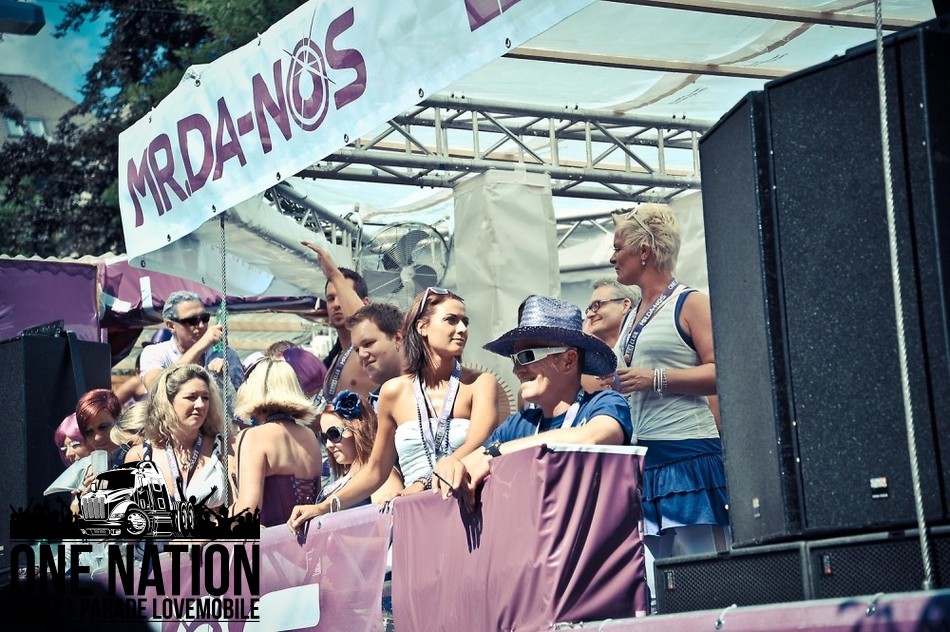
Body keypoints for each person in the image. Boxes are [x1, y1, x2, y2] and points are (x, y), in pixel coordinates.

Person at [288, 287, 499, 529]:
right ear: (422, 327)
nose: (462, 329)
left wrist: (421, 483)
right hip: (418, 520)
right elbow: (376, 470)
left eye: (465, 322)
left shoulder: (481, 384)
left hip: (473, 515)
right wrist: (323, 507)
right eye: (451, 320)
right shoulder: (392, 392)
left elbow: (476, 446)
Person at [608, 205, 729, 594]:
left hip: (688, 456)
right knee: (666, 584)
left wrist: (654, 378)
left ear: (644, 250)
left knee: (706, 577)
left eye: (618, 247)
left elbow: (722, 373)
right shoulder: (631, 314)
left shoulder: (690, 302)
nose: (612, 257)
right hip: (648, 462)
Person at [436, 295, 633, 498]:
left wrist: (499, 452)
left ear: (569, 360)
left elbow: (592, 438)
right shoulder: (518, 424)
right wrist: (450, 465)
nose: (516, 370)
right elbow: (472, 463)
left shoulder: (605, 404)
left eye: (526, 356)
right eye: (514, 359)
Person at [230, 358, 322, 526]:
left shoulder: (253, 437)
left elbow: (247, 512)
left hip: (271, 541)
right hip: (310, 539)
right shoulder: (310, 436)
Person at [125, 365, 229, 511]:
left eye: (205, 398)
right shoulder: (139, 456)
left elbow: (239, 507)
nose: (200, 404)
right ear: (168, 402)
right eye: (191, 397)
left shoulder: (223, 448)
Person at [302, 241, 376, 404]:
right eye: (330, 298)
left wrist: (334, 274)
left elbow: (365, 325)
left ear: (365, 303)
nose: (336, 304)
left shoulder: (373, 352)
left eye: (342, 296)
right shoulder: (334, 360)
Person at [139, 291, 243, 392]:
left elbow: (239, 400)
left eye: (204, 318)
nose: (201, 325)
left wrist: (223, 381)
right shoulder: (155, 353)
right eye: (191, 321)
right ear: (171, 325)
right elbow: (156, 390)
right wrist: (202, 343)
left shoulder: (225, 354)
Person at [317, 390, 403, 508]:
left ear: (358, 429)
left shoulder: (383, 476)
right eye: (324, 437)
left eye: (334, 434)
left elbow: (391, 517)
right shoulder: (344, 477)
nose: (328, 445)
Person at [582, 279, 641, 392]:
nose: (589, 315)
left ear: (625, 305)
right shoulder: (590, 365)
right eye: (589, 309)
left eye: (597, 305)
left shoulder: (647, 348)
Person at [346, 303, 405, 412]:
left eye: (368, 343)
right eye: (357, 350)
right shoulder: (369, 409)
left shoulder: (434, 390)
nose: (361, 354)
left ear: (398, 338)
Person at [76, 388, 121, 454]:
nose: (97, 438)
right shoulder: (87, 461)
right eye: (89, 432)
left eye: (103, 427)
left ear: (119, 420)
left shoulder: (136, 454)